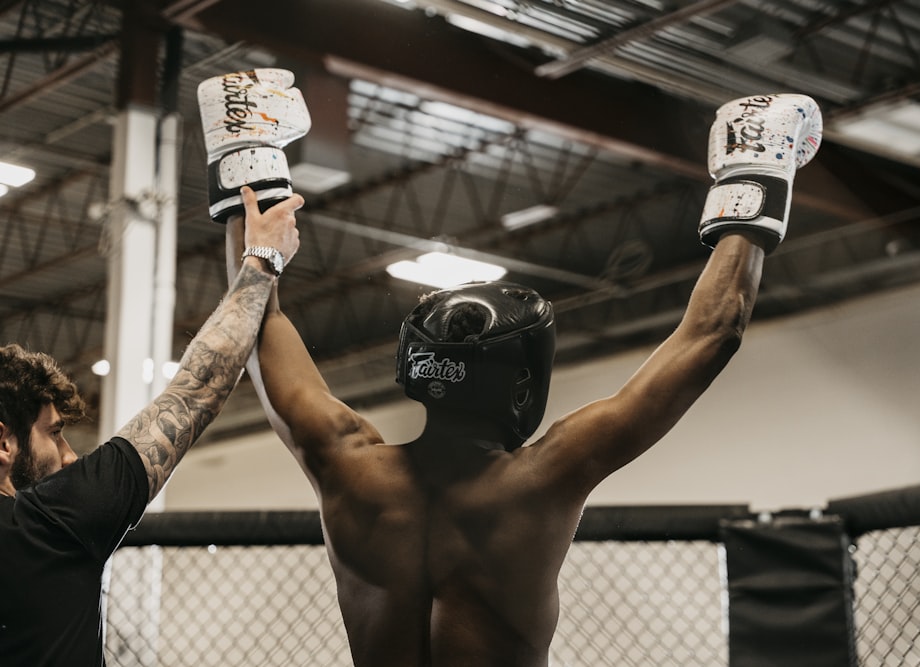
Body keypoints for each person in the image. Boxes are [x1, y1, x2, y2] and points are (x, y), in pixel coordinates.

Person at [229, 92, 822, 666]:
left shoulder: (343, 463)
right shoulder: (546, 476)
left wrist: (244, 173)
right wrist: (754, 171)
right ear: (522, 384)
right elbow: (712, 333)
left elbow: (256, 323)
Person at [0, 67, 308, 665]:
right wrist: (263, 256)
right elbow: (194, 392)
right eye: (54, 433)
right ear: (3, 442)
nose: (69, 458)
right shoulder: (49, 527)